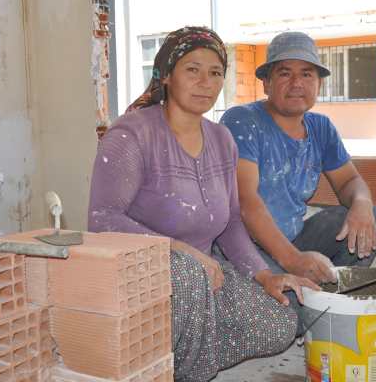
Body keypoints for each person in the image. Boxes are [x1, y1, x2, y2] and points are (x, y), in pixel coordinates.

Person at [87, 27, 318, 382]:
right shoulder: (132, 134)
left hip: (204, 277)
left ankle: (172, 352)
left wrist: (265, 275)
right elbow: (102, 220)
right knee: (187, 276)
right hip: (138, 279)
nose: (204, 83)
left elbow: (231, 225)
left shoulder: (221, 139)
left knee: (282, 322)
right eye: (192, 69)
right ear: (166, 75)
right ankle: (181, 365)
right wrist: (180, 251)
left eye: (215, 73)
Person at [220, 32, 376, 335]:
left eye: (306, 74)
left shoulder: (320, 127)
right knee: (286, 323)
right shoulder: (243, 120)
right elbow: (245, 201)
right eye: (285, 73)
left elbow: (350, 180)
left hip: (294, 242)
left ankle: (329, 307)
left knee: (371, 217)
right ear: (267, 83)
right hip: (247, 252)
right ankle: (312, 312)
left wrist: (362, 202)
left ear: (319, 84)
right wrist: (294, 261)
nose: (296, 83)